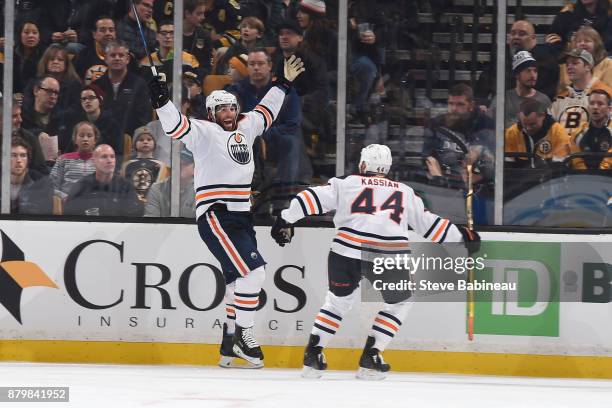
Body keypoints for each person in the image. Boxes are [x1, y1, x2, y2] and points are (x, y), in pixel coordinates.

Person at [270, 144, 481, 379]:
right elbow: (427, 224)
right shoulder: (404, 191)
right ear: (387, 169)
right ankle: (371, 356)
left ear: (362, 165)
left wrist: (285, 219)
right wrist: (461, 237)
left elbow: (309, 197)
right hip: (388, 254)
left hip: (345, 251)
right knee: (400, 303)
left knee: (337, 303)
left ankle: (313, 356)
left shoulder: (345, 183)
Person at [148, 53, 305, 367]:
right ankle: (246, 336)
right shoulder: (204, 133)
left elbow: (267, 112)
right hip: (215, 214)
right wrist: (162, 100)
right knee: (254, 272)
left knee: (237, 283)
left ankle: (229, 343)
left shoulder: (246, 126)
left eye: (232, 106)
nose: (229, 112)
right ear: (211, 112)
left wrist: (284, 84)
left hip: (240, 215)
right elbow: (176, 127)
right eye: (222, 108)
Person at [227, 48, 307, 186]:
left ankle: (285, 193)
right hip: (247, 143)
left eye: (260, 63)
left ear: (269, 66)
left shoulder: (285, 89)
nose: (256, 68)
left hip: (276, 141)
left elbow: (293, 124)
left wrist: (263, 136)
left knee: (291, 142)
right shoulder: (238, 89)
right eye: (252, 64)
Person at [64, 144, 144, 216]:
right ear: (94, 161)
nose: (109, 161)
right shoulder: (81, 185)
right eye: (104, 157)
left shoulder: (126, 186)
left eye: (112, 157)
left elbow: (136, 213)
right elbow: (69, 214)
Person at [92, 41, 151, 138]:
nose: (117, 58)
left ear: (127, 59)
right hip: (102, 140)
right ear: (106, 59)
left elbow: (144, 117)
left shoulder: (139, 85)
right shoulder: (96, 86)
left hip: (132, 140)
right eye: (113, 55)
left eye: (121, 55)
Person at [550, 49, 612, 139]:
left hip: (593, 149)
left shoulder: (606, 94)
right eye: (567, 64)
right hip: (562, 150)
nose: (569, 67)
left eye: (574, 63)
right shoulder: (559, 98)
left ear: (588, 66)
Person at [492, 51, 551, 129]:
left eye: (535, 71)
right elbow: (491, 127)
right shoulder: (502, 99)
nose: (533, 75)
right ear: (517, 74)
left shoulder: (543, 100)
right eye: (528, 71)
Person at [505, 99, 571, 169]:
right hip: (519, 177)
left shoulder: (558, 132)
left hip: (549, 178)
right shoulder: (511, 133)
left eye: (532, 124)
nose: (528, 128)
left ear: (543, 115)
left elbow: (560, 166)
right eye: (524, 124)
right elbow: (507, 165)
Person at [50, 121, 99, 199]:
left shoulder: (101, 160)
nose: (85, 139)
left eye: (89, 136)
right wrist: (65, 197)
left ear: (95, 140)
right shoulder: (63, 159)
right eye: (81, 135)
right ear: (75, 139)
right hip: (67, 204)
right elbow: (51, 185)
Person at [121, 126, 169, 201]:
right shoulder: (127, 165)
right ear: (135, 144)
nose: (145, 142)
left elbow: (161, 188)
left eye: (149, 139)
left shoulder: (162, 166)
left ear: (154, 143)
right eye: (141, 140)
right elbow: (123, 185)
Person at [144, 149, 196, 217]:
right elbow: (151, 221)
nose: (180, 166)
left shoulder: (200, 191)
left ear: (194, 168)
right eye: (177, 163)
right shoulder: (156, 189)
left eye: (185, 164)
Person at [569, 89, 612, 169]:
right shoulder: (577, 133)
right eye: (592, 103)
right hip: (584, 178)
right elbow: (577, 162)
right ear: (588, 108)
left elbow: (609, 163)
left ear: (609, 109)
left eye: (600, 104)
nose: (595, 107)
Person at [10, 136, 54, 215]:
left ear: (28, 159)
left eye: (23, 155)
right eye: (13, 155)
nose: (19, 160)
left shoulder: (40, 183)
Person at [73, 16, 117, 84]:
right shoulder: (83, 56)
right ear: (94, 34)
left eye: (111, 30)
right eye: (103, 30)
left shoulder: (123, 56)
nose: (108, 33)